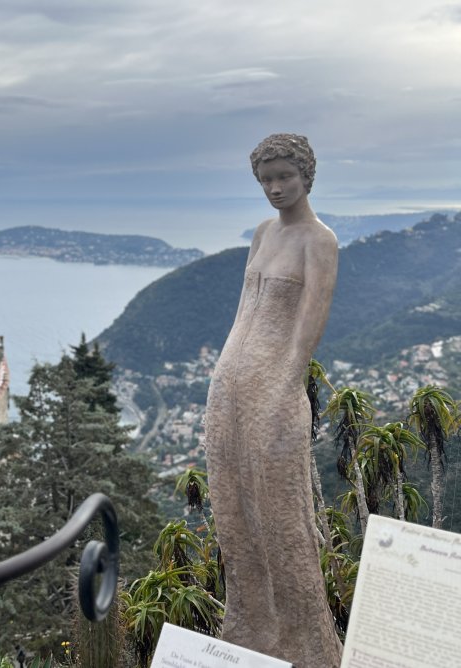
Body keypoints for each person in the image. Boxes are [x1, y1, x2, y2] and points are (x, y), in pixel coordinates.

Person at [201, 133, 342, 667]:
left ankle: (306, 650)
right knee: (233, 511)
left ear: (306, 175)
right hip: (230, 385)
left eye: (285, 176)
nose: (276, 188)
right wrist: (222, 378)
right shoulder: (262, 232)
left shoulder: (319, 241)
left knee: (282, 517)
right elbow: (243, 311)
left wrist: (286, 385)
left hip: (274, 387)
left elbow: (310, 322)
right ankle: (248, 633)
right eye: (266, 180)